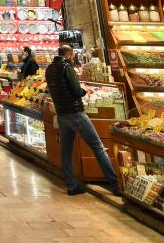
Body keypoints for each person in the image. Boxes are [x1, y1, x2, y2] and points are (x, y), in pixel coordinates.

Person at [45, 45, 120, 195]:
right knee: (98, 147)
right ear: (68, 54)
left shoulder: (49, 69)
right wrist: (84, 91)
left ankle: (72, 185)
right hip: (75, 113)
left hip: (61, 114)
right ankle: (115, 185)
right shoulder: (67, 67)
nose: (72, 57)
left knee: (66, 150)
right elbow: (75, 90)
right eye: (71, 55)